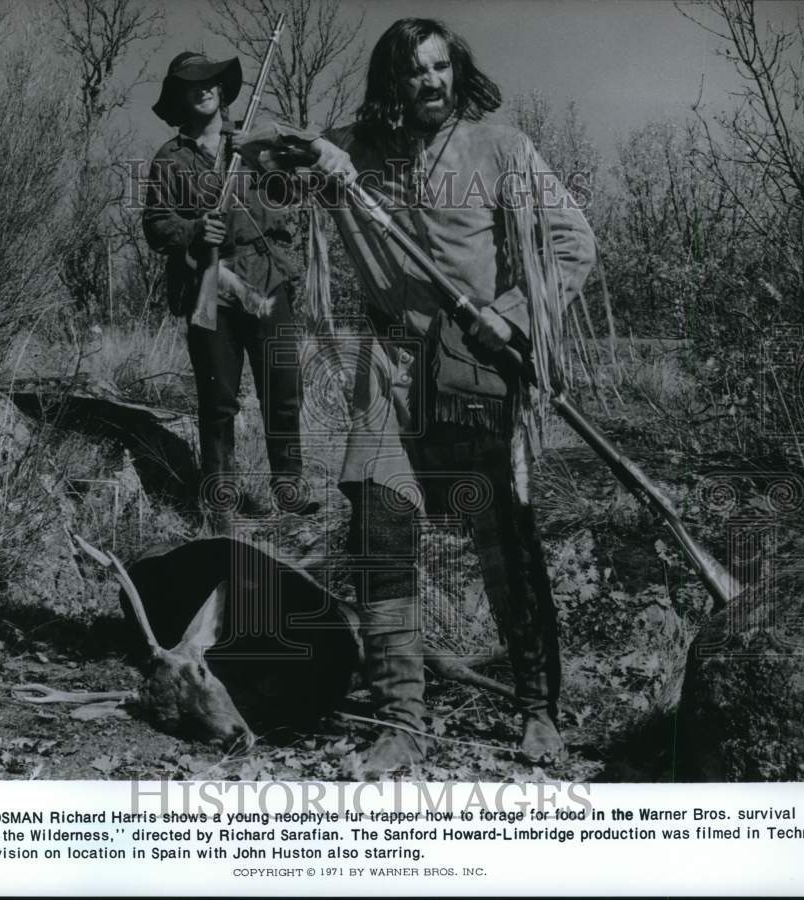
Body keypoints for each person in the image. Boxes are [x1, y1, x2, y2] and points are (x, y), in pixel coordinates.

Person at [238, 18, 596, 777]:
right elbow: (259, 156)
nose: (429, 82)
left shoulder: (502, 148)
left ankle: (536, 712)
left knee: (507, 541)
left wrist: (508, 316)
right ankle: (400, 721)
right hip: (392, 371)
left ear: (455, 72)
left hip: (478, 368)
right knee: (380, 538)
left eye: (440, 68)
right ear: (392, 83)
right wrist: (318, 153)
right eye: (414, 71)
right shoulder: (359, 152)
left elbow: (574, 244)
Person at [143, 51, 319, 530]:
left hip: (268, 282)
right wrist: (196, 230)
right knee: (218, 401)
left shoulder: (256, 142)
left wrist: (260, 158)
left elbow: (294, 194)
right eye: (191, 83)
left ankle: (290, 493)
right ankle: (219, 502)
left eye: (211, 81)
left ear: (222, 90)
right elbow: (157, 225)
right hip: (211, 287)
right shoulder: (169, 159)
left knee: (283, 393)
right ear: (179, 96)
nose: (204, 88)